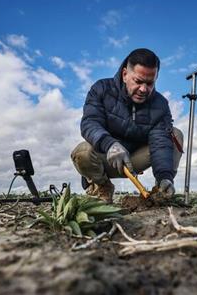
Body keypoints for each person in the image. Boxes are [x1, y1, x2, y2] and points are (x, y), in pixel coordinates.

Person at [71, 48, 183, 203]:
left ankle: (162, 189)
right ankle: (102, 187)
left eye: (150, 83)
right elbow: (90, 122)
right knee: (81, 152)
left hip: (134, 160)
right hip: (106, 159)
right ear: (125, 75)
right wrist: (109, 144)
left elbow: (160, 142)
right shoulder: (101, 89)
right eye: (138, 81)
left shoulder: (160, 104)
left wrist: (165, 176)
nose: (144, 89)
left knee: (175, 135)